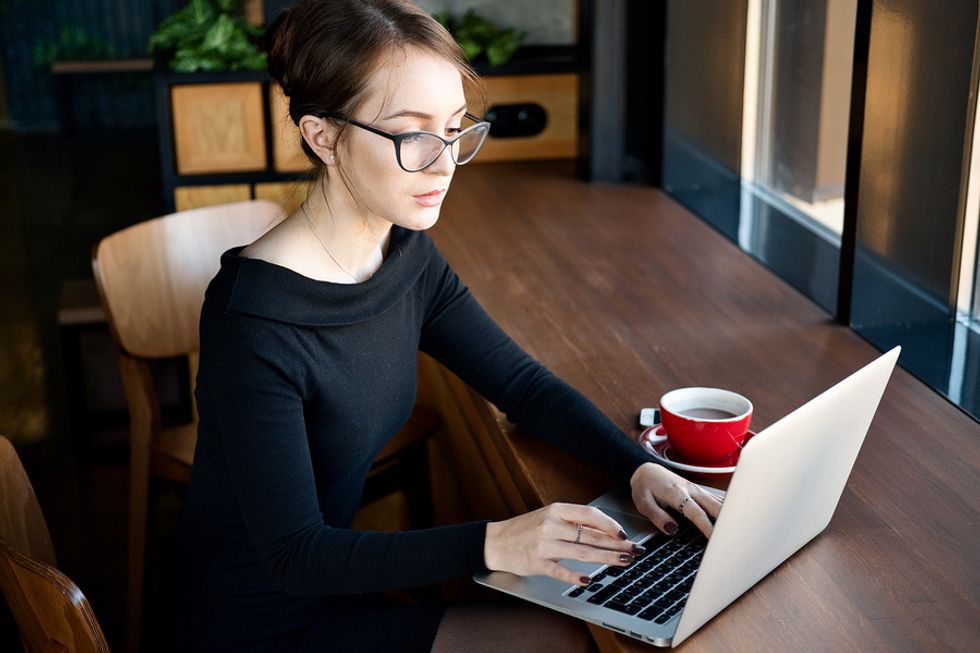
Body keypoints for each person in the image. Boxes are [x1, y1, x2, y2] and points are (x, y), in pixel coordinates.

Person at [161, 1, 723, 651]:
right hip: (251, 627)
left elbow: (520, 384)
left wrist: (636, 467)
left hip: (346, 588)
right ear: (322, 136)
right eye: (413, 135)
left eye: (456, 129)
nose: (444, 163)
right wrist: (495, 540)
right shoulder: (253, 322)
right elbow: (295, 553)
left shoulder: (404, 255)